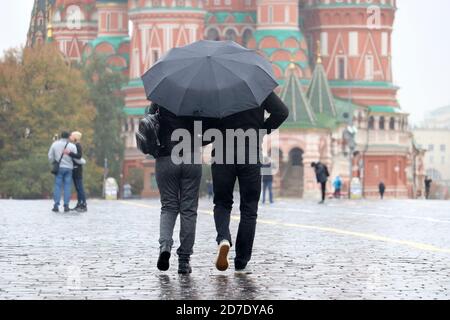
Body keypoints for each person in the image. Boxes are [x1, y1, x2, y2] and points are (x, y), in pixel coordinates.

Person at [212, 92, 289, 274]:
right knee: (249, 209)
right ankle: (241, 262)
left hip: (223, 152)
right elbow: (282, 112)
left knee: (222, 203)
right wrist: (261, 129)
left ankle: (223, 238)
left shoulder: (217, 88)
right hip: (250, 153)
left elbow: (205, 120)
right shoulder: (256, 87)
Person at [151, 103, 212, 275]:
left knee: (168, 206)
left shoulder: (161, 96)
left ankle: (165, 246)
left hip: (166, 157)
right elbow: (209, 133)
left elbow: (149, 122)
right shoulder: (199, 99)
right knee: (189, 209)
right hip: (191, 156)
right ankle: (184, 261)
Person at [48, 131, 78, 212]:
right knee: (67, 186)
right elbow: (75, 158)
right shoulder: (72, 146)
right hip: (69, 168)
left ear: (61, 136)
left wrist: (54, 162)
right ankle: (66, 205)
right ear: (68, 137)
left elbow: (50, 156)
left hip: (59, 168)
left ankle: (56, 205)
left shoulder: (54, 144)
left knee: (57, 186)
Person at [65, 131, 87, 212]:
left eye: (71, 136)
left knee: (80, 187)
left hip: (77, 169)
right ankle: (79, 203)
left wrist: (69, 153)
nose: (70, 137)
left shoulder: (78, 145)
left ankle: (83, 204)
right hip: (75, 169)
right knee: (78, 188)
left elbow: (79, 156)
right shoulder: (75, 145)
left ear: (75, 137)